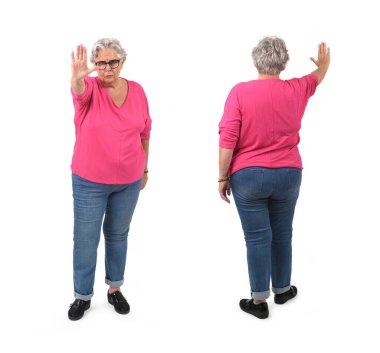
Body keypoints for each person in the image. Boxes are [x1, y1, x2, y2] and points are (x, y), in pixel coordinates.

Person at [218, 37, 330, 319]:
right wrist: (325, 63)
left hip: (248, 175)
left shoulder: (240, 92)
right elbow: (316, 77)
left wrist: (222, 176)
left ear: (257, 60)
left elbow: (228, 139)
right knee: (282, 234)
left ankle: (258, 302)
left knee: (257, 238)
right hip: (289, 174)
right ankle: (282, 289)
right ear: (283, 62)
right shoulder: (296, 88)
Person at [68, 38, 152, 321]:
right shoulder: (90, 88)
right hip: (89, 181)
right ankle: (82, 296)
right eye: (101, 63)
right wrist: (77, 79)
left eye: (112, 62)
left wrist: (144, 169)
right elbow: (78, 91)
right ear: (95, 66)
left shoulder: (138, 90)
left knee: (118, 235)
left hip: (128, 182)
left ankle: (115, 289)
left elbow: (145, 132)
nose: (107, 68)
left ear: (122, 62)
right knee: (85, 239)